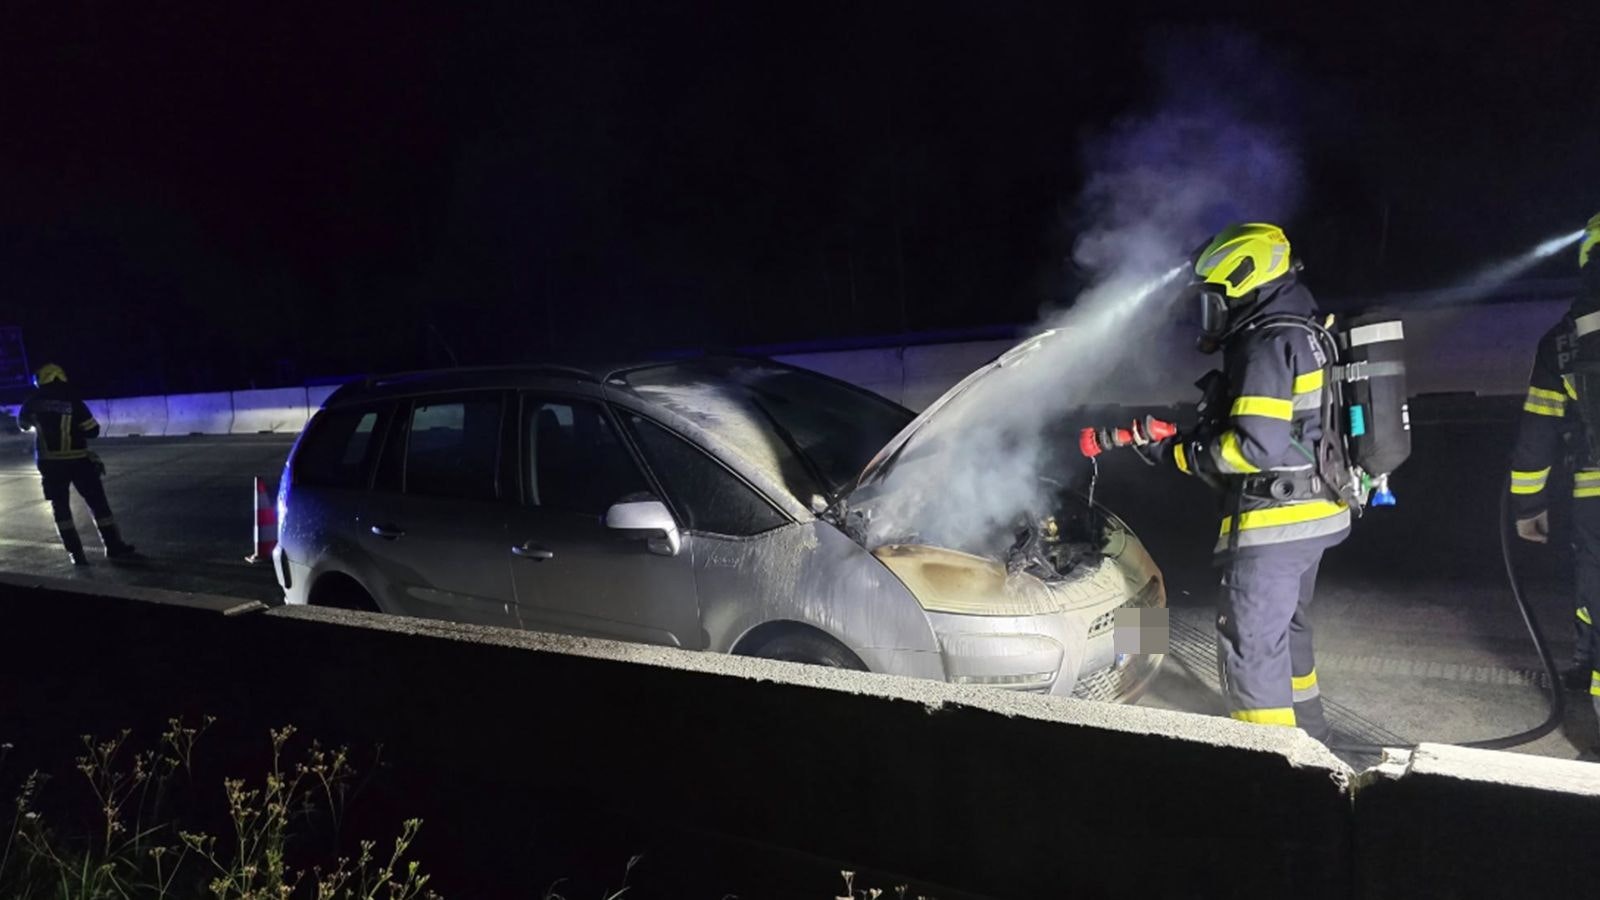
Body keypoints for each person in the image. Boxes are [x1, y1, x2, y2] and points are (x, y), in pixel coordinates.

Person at [1150, 223, 1351, 742]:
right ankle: (1314, 740)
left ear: (1243, 280)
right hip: (1318, 510)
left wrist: (1181, 454)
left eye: (1213, 298)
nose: (1209, 311)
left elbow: (1254, 447)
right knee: (1290, 631)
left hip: (1275, 523)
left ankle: (1275, 765)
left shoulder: (1265, 341)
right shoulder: (1304, 328)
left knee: (1252, 646)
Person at [1508, 212, 1600, 698]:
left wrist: (1528, 508)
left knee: (1595, 584)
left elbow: (1537, 433)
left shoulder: (1564, 339)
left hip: (1595, 493)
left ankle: (1588, 666)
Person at [16, 363, 137, 565]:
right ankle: (113, 546)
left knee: (61, 509)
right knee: (98, 505)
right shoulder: (72, 400)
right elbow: (93, 431)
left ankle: (76, 554)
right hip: (79, 460)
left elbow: (23, 425)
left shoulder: (32, 402)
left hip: (50, 464)